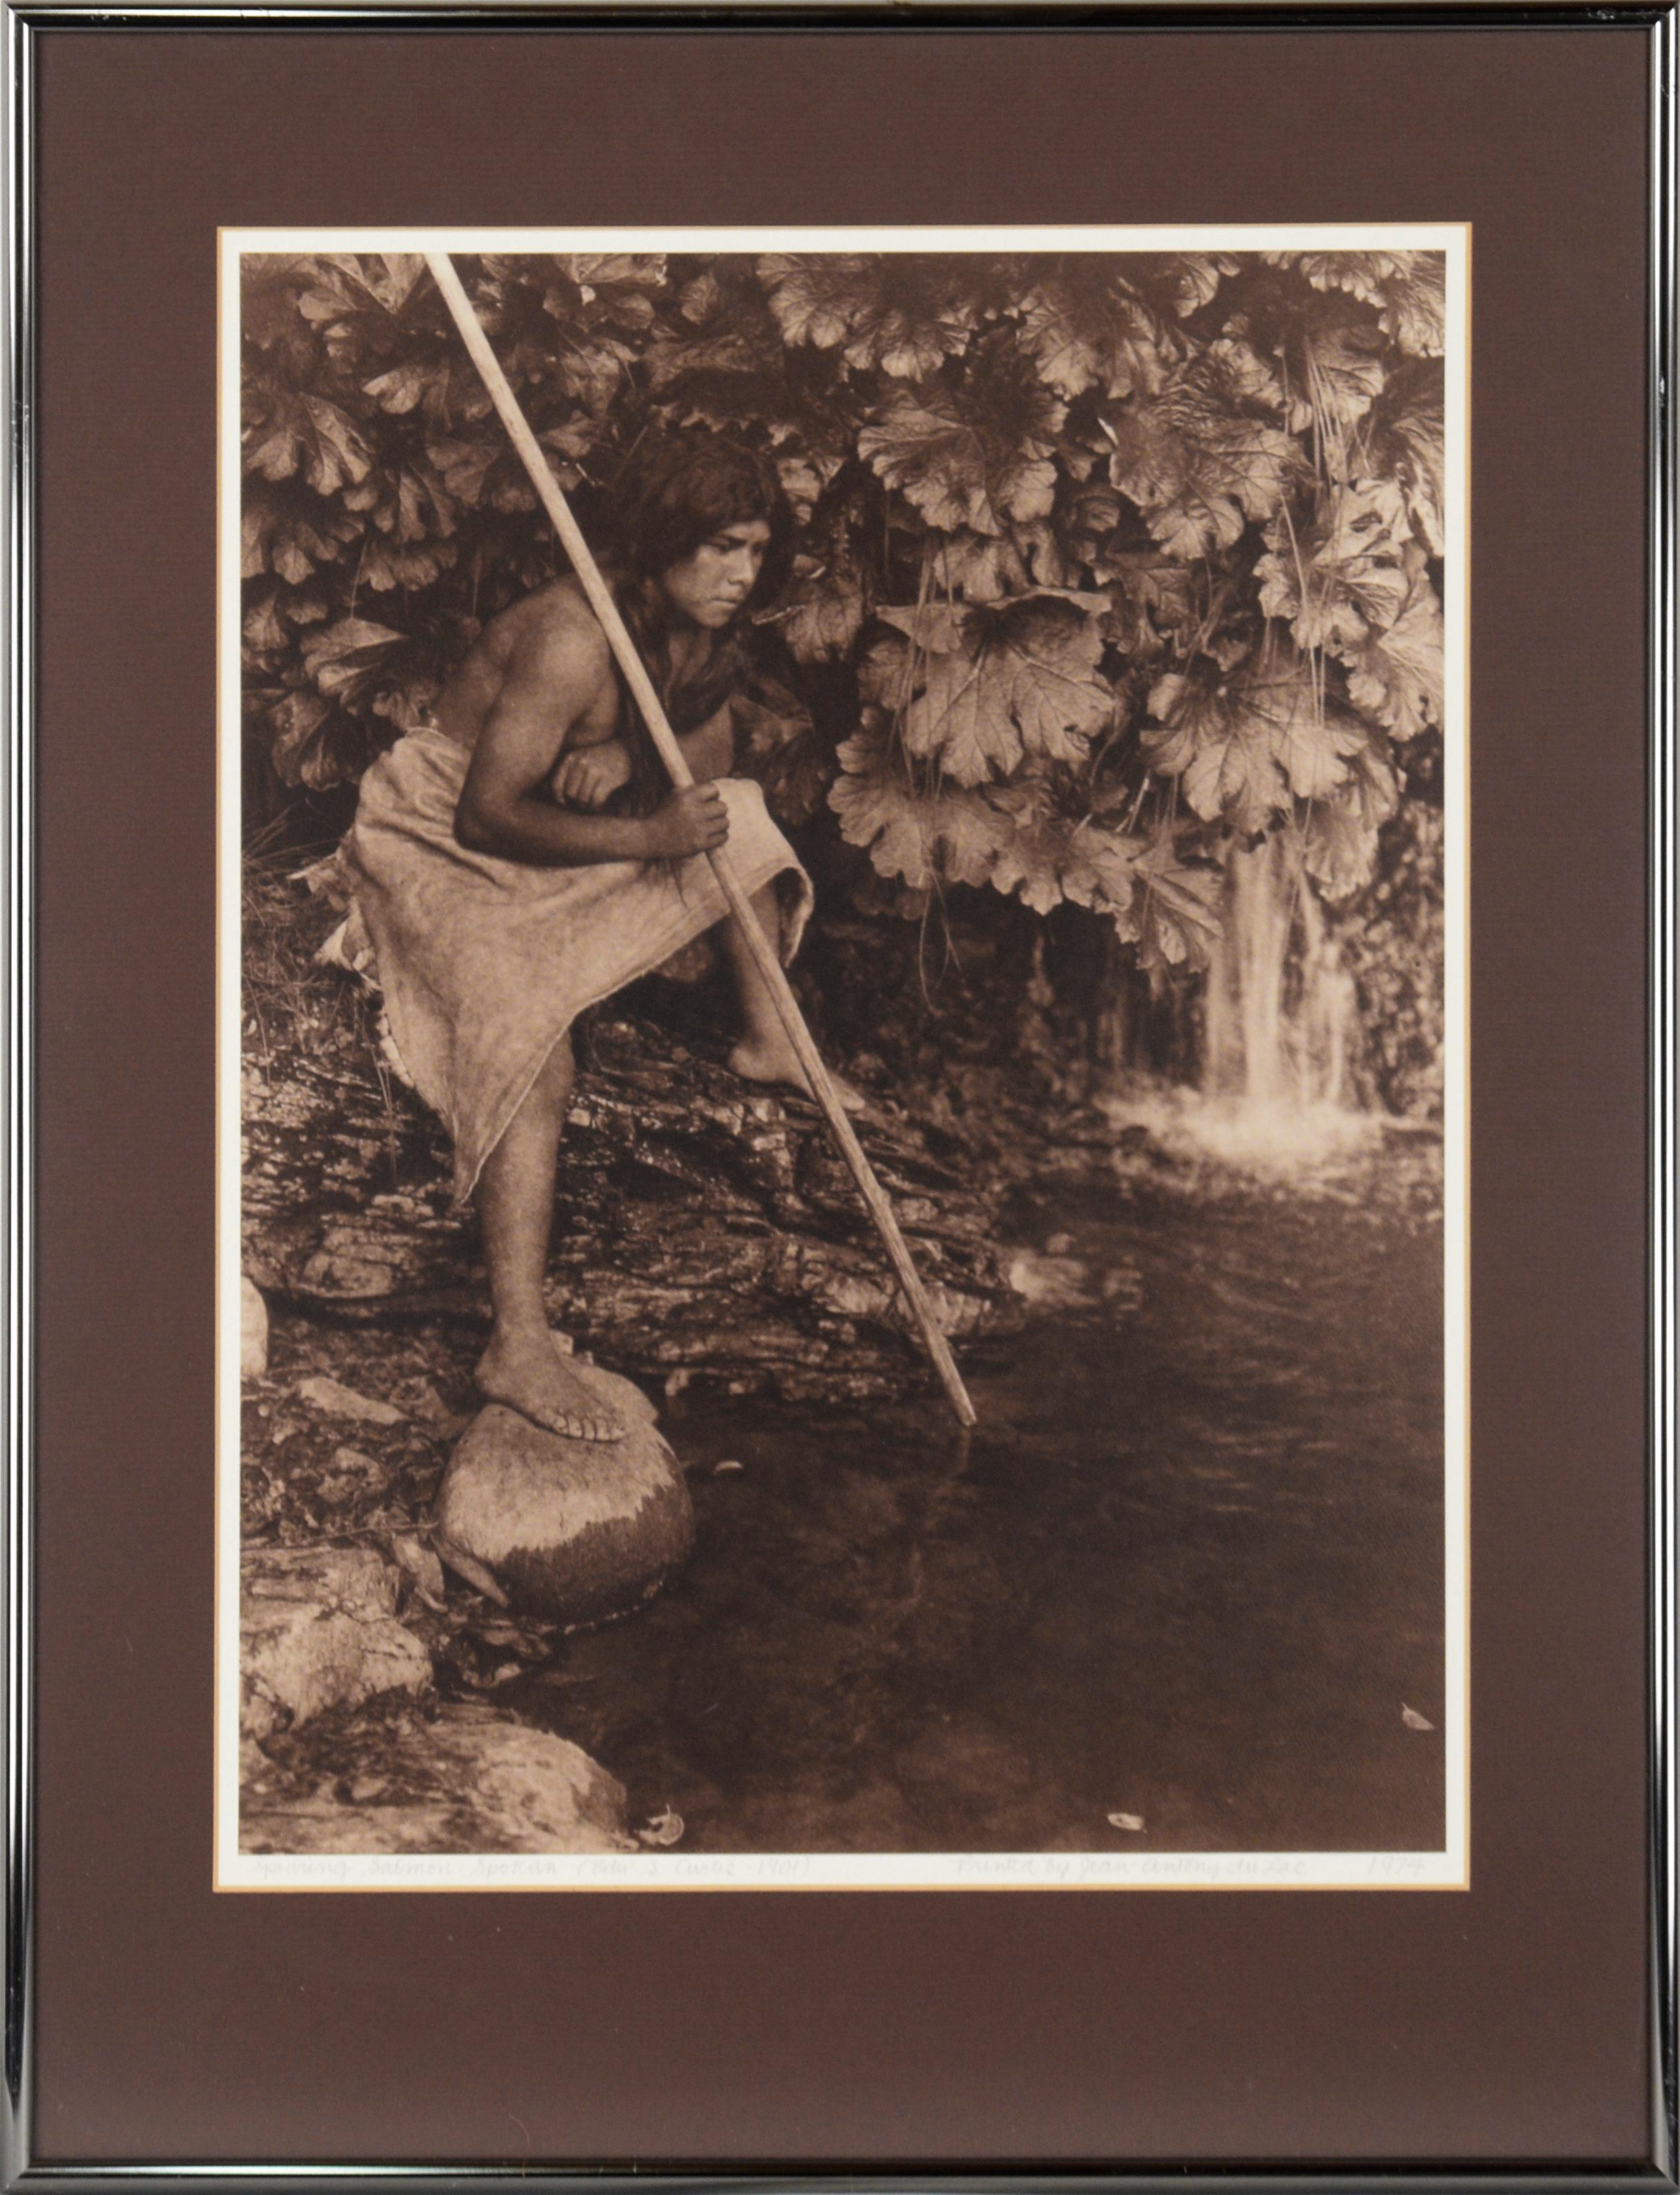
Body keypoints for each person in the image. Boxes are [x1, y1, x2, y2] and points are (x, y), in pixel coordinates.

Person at [341, 432, 834, 1446]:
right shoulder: (573, 635)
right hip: (438, 840)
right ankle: (516, 1341)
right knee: (532, 1037)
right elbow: (483, 815)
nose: (742, 574)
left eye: (756, 549)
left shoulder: (700, 633)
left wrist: (625, 758)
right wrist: (645, 829)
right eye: (723, 547)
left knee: (743, 818)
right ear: (664, 543)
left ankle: (769, 1038)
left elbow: (705, 766)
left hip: (550, 839)